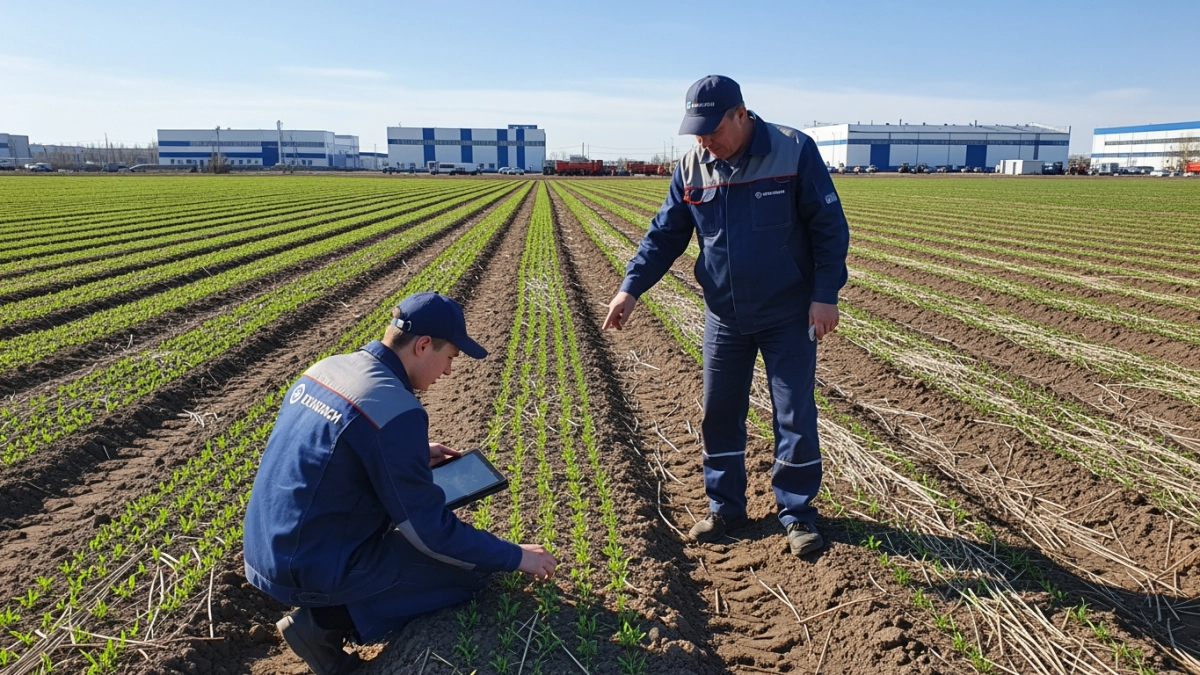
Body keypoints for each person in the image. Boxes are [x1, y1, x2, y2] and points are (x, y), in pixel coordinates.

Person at [243, 292, 557, 675]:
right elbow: (430, 532)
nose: (448, 372)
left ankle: (328, 606)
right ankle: (323, 625)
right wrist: (515, 556)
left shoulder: (328, 367)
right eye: (450, 357)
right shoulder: (396, 410)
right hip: (307, 566)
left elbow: (331, 449)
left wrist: (410, 454)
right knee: (468, 573)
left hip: (266, 547)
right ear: (423, 345)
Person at [603, 75, 850, 558]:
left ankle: (797, 512)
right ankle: (726, 508)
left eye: (712, 130)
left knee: (794, 414)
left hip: (788, 312)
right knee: (719, 412)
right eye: (696, 132)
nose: (704, 141)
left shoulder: (793, 150)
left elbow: (829, 228)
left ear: (741, 114)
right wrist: (630, 288)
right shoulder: (691, 166)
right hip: (725, 315)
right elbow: (664, 236)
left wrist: (825, 295)